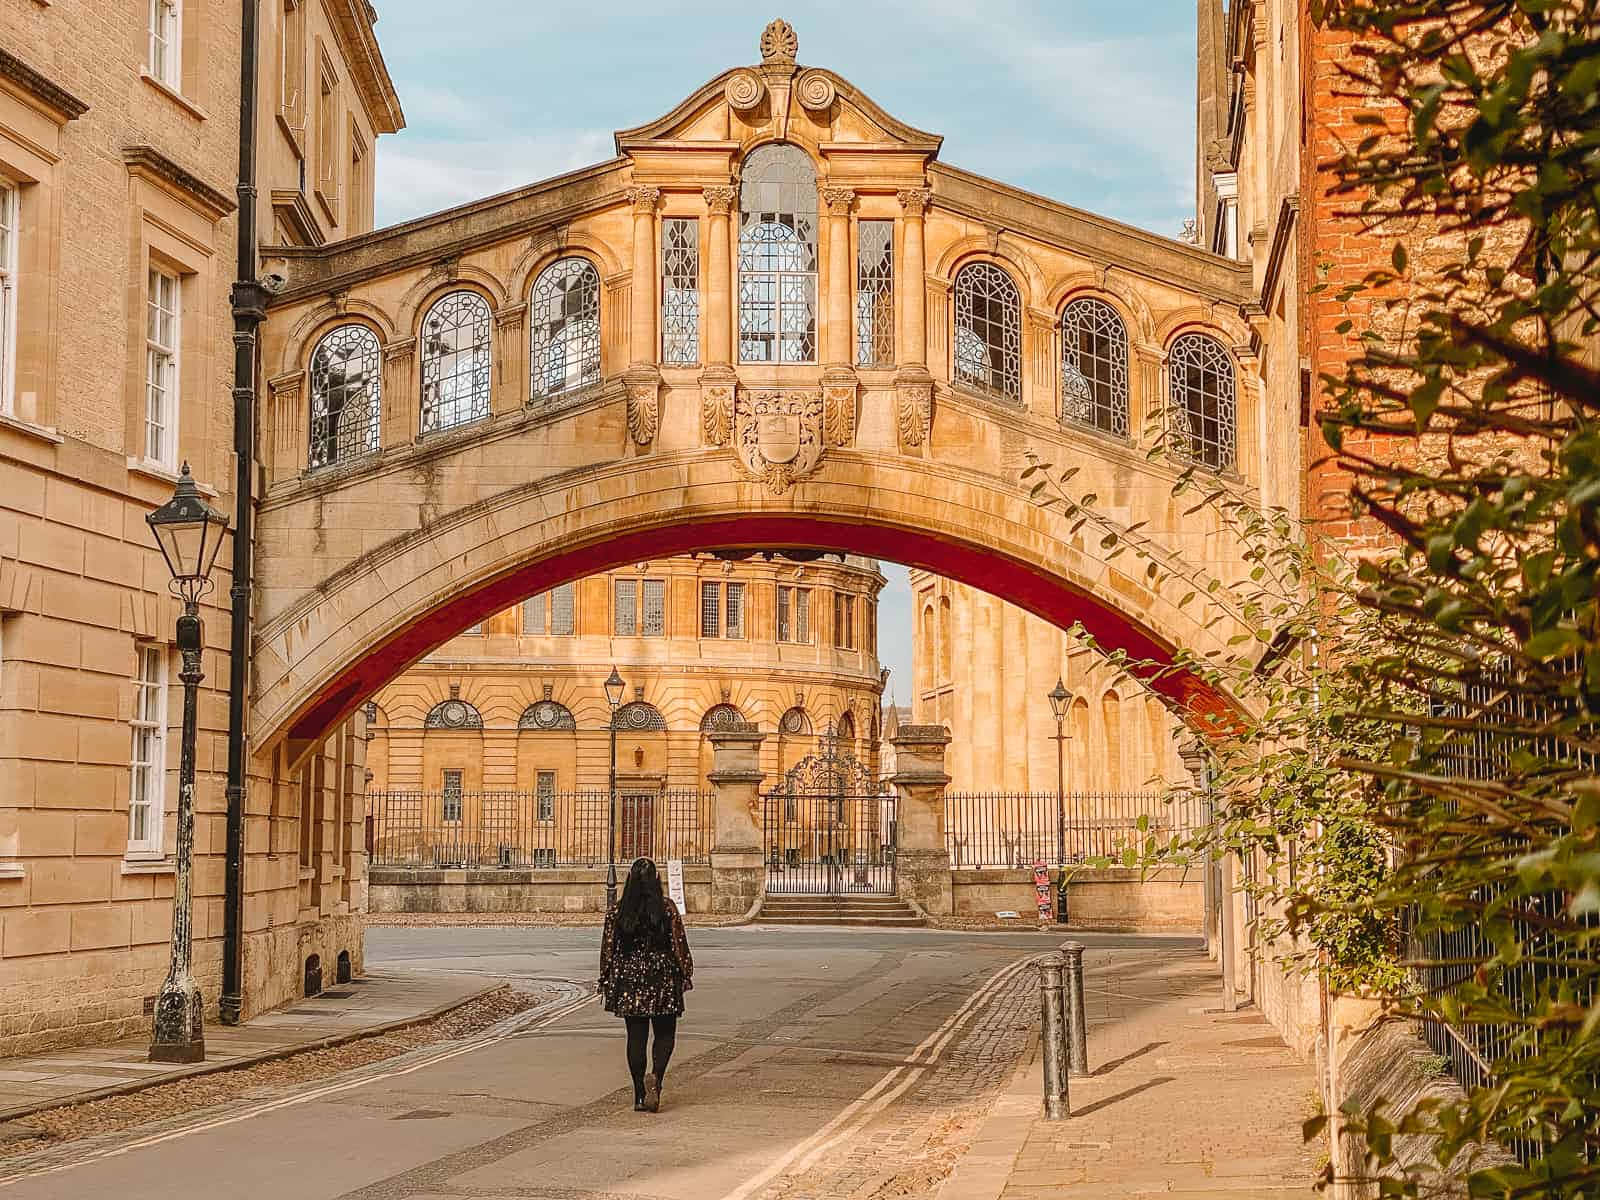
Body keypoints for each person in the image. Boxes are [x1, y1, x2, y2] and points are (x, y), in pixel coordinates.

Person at [599, 857, 694, 1112]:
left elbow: (609, 948)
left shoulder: (617, 912)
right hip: (662, 975)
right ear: (656, 882)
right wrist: (686, 971)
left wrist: (605, 977)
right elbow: (678, 944)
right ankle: (657, 1078)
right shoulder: (667, 909)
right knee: (665, 1033)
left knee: (636, 1037)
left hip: (630, 978)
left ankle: (640, 1095)